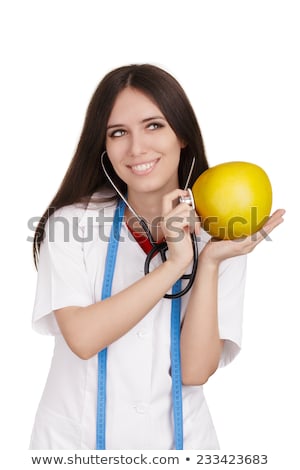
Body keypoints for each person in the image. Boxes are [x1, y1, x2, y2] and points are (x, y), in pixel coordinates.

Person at [29, 64, 284, 450]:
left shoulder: (220, 232)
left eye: (153, 125)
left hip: (181, 447)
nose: (136, 148)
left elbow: (196, 370)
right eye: (118, 133)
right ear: (104, 146)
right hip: (75, 448)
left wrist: (209, 261)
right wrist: (176, 264)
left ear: (181, 134)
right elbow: (82, 338)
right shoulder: (71, 224)